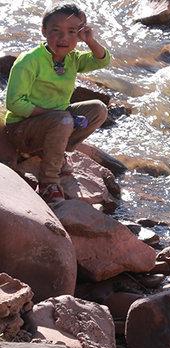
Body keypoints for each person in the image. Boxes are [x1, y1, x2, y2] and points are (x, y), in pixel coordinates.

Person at [4, 3, 111, 204]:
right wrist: (55, 116)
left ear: (80, 34)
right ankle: (48, 183)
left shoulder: (72, 59)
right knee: (62, 120)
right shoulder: (30, 60)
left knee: (98, 109)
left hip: (55, 120)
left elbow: (102, 61)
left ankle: (57, 152)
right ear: (44, 31)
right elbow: (15, 104)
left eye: (72, 32)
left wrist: (90, 40)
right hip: (21, 129)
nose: (64, 38)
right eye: (56, 31)